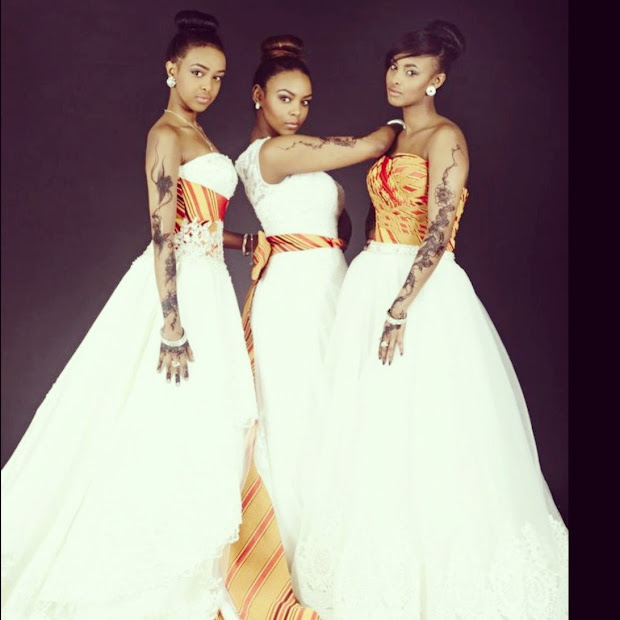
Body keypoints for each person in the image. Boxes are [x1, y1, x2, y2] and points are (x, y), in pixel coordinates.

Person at [291, 20, 568, 619]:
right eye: (394, 67)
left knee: (428, 419)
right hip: (372, 277)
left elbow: (440, 229)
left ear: (436, 81)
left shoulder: (446, 137)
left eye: (411, 70)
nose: (396, 78)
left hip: (420, 289)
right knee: (370, 419)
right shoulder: (392, 135)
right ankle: (376, 563)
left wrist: (400, 305)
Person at [1, 11, 256, 619]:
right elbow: (162, 231)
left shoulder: (198, 133)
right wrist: (171, 321)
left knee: (211, 421)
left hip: (210, 284)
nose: (207, 86)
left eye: (218, 77)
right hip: (179, 292)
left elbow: (199, 224)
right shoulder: (166, 133)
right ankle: (147, 576)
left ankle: (192, 567)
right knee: (164, 420)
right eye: (197, 72)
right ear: (171, 69)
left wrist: (244, 242)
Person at [233, 34, 402, 568]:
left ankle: (334, 535)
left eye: (305, 101)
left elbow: (338, 229)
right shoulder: (272, 152)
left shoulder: (290, 156)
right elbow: (370, 145)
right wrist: (401, 123)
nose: (297, 112)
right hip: (296, 295)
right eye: (285, 98)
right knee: (304, 408)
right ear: (258, 95)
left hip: (326, 282)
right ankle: (297, 550)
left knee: (334, 404)